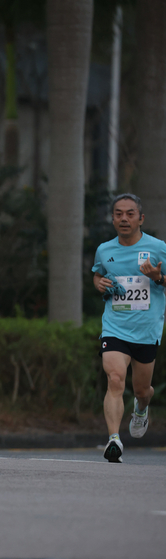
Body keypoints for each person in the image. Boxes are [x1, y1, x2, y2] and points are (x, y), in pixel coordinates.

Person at [92, 193, 166, 463]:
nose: (124, 218)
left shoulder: (158, 248)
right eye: (119, 214)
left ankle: (142, 408)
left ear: (141, 218)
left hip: (147, 330)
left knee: (141, 391)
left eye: (130, 214)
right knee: (114, 379)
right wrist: (99, 283)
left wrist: (159, 277)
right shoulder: (104, 250)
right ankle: (114, 439)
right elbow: (97, 274)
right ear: (112, 219)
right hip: (115, 327)